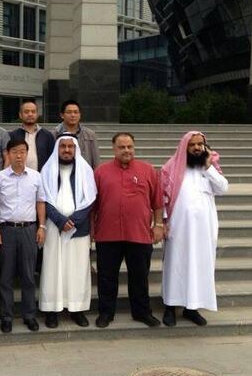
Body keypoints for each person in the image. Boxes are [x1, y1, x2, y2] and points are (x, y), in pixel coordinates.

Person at [93, 132, 164, 328]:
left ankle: (142, 312)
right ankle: (106, 313)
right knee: (106, 277)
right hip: (108, 234)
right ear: (113, 149)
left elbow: (158, 202)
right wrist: (91, 229)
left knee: (139, 276)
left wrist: (158, 225)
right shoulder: (100, 172)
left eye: (130, 147)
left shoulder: (148, 170)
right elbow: (93, 205)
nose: (127, 150)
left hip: (139, 234)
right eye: (122, 147)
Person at [160, 131, 229, 327]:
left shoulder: (209, 168)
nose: (197, 148)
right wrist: (163, 222)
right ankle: (170, 306)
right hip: (178, 229)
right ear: (185, 147)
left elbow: (223, 188)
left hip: (204, 231)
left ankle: (192, 308)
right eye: (192, 145)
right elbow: (162, 197)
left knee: (199, 266)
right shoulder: (171, 168)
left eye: (200, 144)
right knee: (175, 265)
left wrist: (208, 167)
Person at [39, 134, 97, 328]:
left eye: (70, 147)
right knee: (52, 268)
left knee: (77, 268)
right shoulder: (47, 170)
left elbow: (90, 198)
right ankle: (52, 310)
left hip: (78, 228)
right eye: (62, 146)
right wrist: (60, 220)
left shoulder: (85, 170)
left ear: (75, 149)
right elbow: (43, 198)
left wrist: (74, 220)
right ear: (57, 149)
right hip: (54, 227)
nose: (66, 150)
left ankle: (77, 309)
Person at [0, 138, 46, 334]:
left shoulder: (36, 177)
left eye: (22, 151)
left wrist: (41, 226)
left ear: (27, 153)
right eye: (14, 151)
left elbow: (40, 202)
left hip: (29, 230)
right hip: (6, 230)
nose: (19, 155)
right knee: (5, 276)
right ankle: (6, 317)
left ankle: (29, 315)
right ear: (8, 154)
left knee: (28, 276)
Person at [8, 98, 55, 172]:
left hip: (41, 176)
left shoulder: (47, 136)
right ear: (20, 115)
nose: (30, 114)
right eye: (26, 112)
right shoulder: (13, 136)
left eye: (33, 112)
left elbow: (52, 159)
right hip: (18, 175)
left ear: (37, 114)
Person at [54, 100, 100, 169]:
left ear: (80, 115)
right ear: (62, 115)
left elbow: (96, 160)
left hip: (84, 173)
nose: (73, 115)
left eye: (76, 112)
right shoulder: (54, 134)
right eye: (69, 112)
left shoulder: (90, 135)